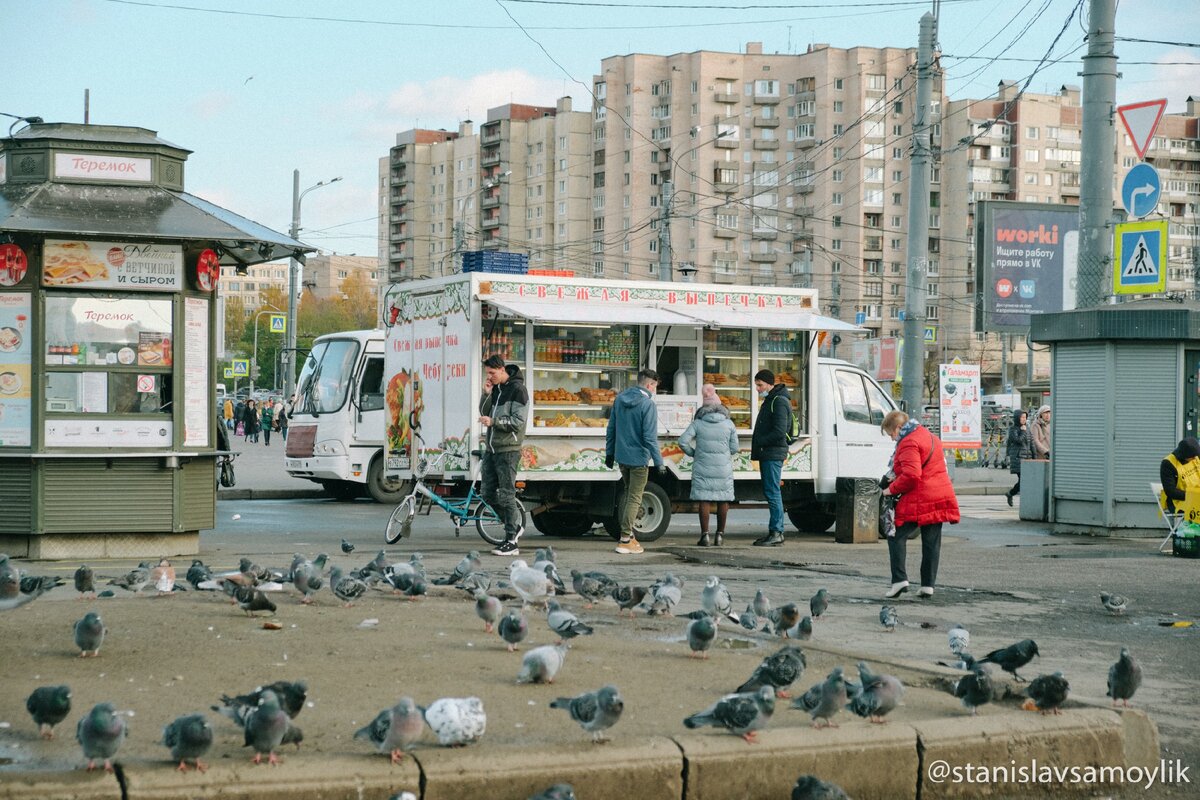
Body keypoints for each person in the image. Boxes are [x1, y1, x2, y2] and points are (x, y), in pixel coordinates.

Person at [881, 410, 960, 598]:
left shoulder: (908, 442)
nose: (892, 439)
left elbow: (912, 475)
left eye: (892, 434)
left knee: (895, 534)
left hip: (921, 497)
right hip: (940, 495)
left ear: (899, 428)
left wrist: (890, 490)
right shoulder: (930, 436)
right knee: (931, 542)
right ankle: (927, 585)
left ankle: (899, 580)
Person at [605, 369, 663, 555]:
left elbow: (611, 428)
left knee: (630, 494)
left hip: (622, 457)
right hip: (638, 458)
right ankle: (625, 538)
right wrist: (659, 461)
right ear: (649, 385)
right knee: (635, 498)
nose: (654, 391)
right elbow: (649, 437)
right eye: (655, 387)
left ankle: (630, 537)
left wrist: (609, 453)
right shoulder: (648, 405)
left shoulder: (620, 399)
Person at [479, 355, 529, 557]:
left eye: (492, 373)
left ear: (502, 369)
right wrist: (486, 394)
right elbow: (484, 411)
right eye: (487, 373)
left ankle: (511, 542)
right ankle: (514, 526)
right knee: (486, 494)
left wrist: (495, 422)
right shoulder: (497, 389)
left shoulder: (518, 390)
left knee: (507, 495)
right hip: (491, 449)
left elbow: (518, 421)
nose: (489, 377)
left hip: (508, 450)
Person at [679, 386, 739, 547]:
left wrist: (694, 453)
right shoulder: (729, 424)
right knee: (723, 499)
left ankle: (704, 536)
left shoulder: (698, 423)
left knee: (704, 499)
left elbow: (682, 441)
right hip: (723, 467)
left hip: (702, 465)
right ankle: (720, 536)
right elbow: (735, 448)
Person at [750, 369, 791, 547]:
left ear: (769, 384)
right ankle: (774, 531)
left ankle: (776, 532)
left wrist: (760, 441)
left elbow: (779, 431)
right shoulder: (772, 399)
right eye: (756, 385)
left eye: (760, 385)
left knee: (773, 492)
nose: (758, 389)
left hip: (772, 452)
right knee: (771, 491)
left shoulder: (779, 401)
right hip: (769, 452)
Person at [1159, 437, 1200, 513]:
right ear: (1184, 455)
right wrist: (1194, 496)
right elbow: (1171, 492)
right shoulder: (1168, 464)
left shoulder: (1195, 456)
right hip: (1178, 501)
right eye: (1193, 457)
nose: (1195, 458)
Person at [1004, 409, 1034, 507]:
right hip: (1018, 458)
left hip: (1028, 458)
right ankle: (1017, 497)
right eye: (1021, 417)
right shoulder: (1013, 429)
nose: (1023, 419)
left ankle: (1011, 493)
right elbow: (1018, 440)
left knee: (1025, 481)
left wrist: (1035, 457)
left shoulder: (1027, 428)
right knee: (1024, 480)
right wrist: (1023, 431)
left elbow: (1032, 443)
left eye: (1025, 417)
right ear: (1017, 418)